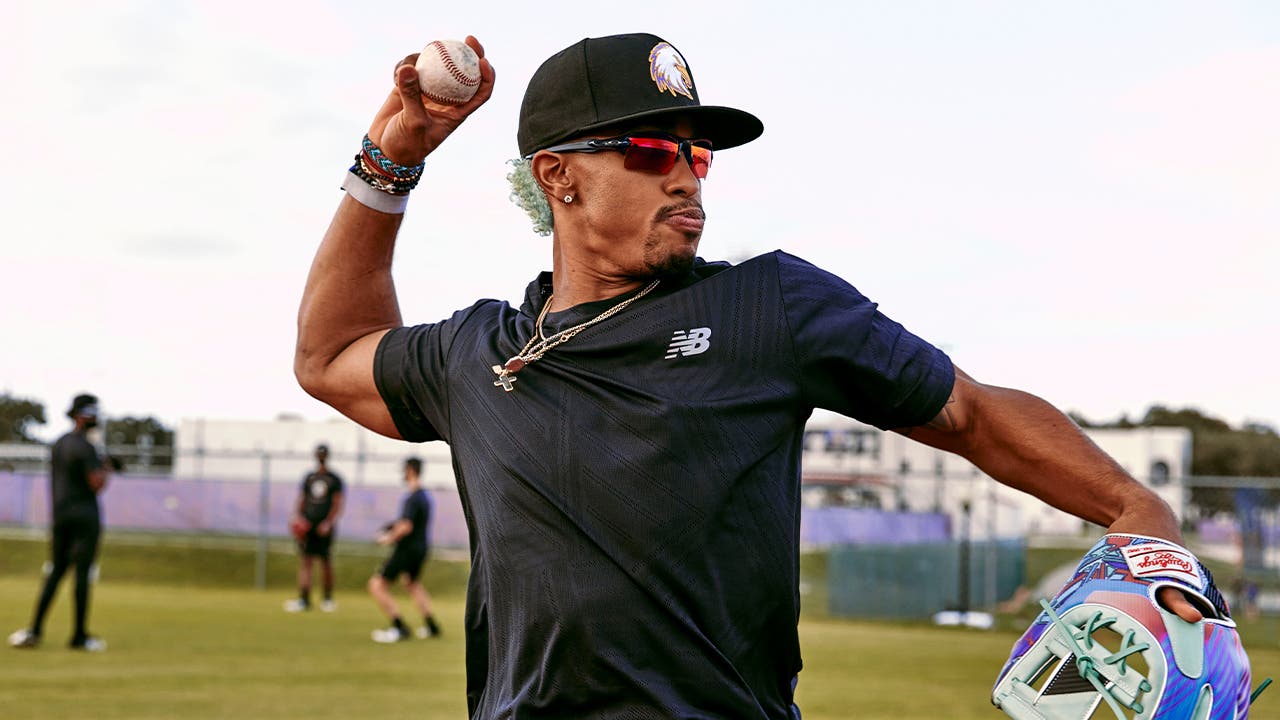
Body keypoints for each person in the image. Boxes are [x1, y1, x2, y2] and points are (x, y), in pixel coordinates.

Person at [294, 33, 1206, 718]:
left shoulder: (768, 308)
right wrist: (392, 161)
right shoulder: (478, 353)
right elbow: (330, 358)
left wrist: (1140, 514)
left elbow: (968, 412)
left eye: (699, 154)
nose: (687, 178)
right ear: (558, 177)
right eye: (653, 151)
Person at [9, 393, 117, 652]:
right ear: (84, 416)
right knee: (81, 574)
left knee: (55, 571)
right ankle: (79, 636)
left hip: (60, 515)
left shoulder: (59, 444)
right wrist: (107, 468)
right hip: (85, 518)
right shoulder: (86, 446)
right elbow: (96, 483)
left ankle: (34, 630)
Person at [369, 456, 442, 643]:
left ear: (410, 470)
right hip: (421, 548)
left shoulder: (412, 497)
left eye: (404, 469)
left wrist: (387, 538)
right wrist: (392, 526)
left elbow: (406, 526)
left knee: (377, 585)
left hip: (407, 549)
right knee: (412, 583)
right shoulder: (424, 496)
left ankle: (399, 627)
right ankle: (432, 626)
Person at [284, 443, 344, 612]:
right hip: (308, 524)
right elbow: (302, 499)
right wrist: (298, 517)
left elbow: (337, 503)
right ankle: (304, 599)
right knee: (306, 561)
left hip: (324, 526)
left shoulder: (334, 479)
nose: (321, 457)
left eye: (323, 454)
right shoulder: (309, 477)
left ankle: (327, 599)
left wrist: (329, 522)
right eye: (319, 454)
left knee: (325, 562)